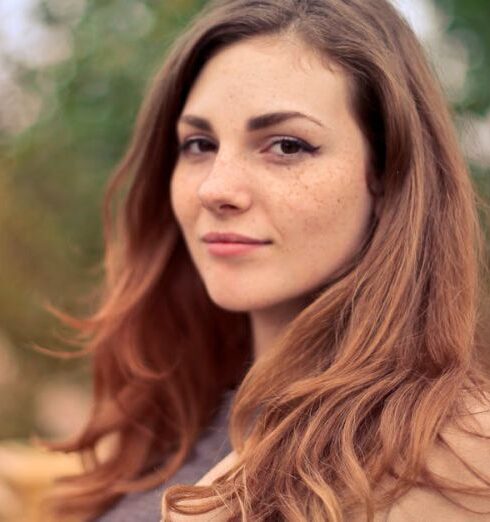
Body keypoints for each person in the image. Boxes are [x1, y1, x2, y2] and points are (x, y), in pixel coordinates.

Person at [45, 0, 490, 520]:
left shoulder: (451, 455)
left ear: (388, 175)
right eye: (199, 144)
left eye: (286, 145)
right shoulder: (175, 419)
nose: (216, 188)